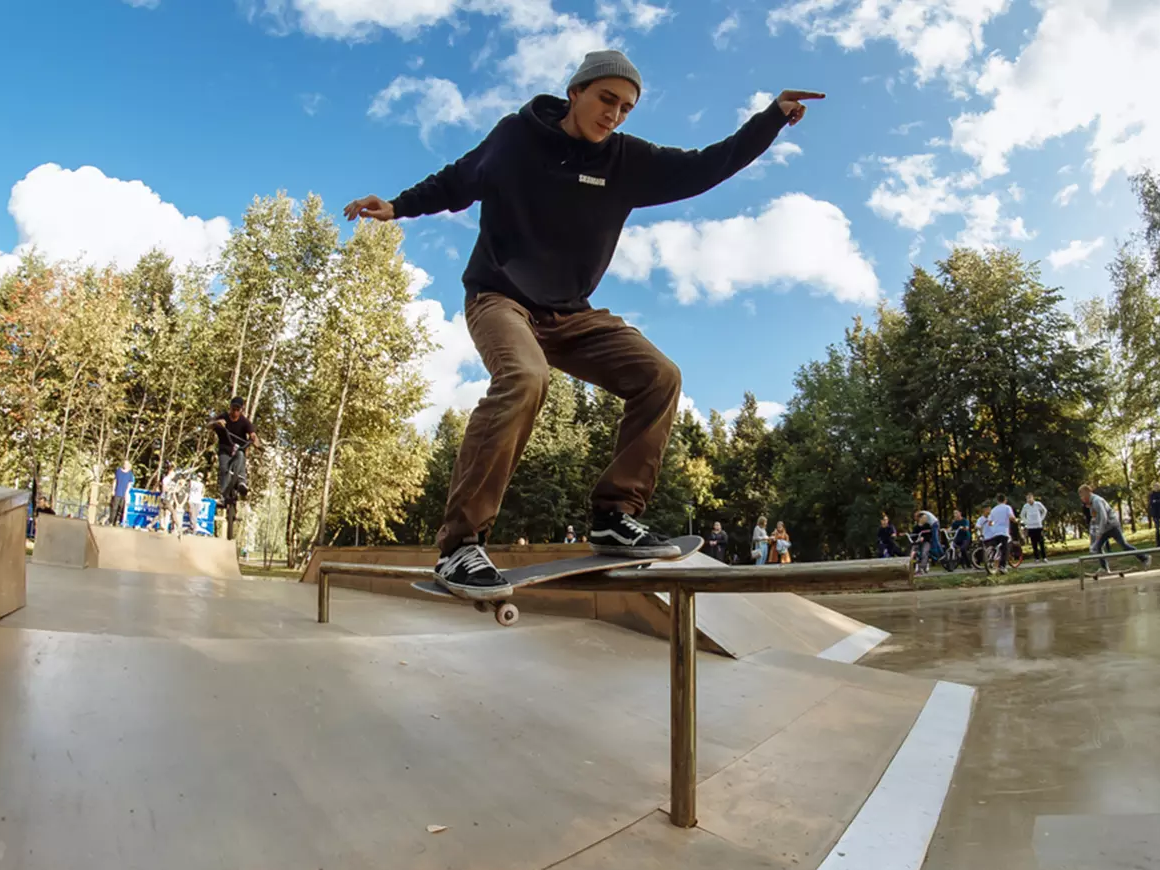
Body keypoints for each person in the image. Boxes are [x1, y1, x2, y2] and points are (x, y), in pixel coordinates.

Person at [343, 49, 822, 599]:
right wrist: (398, 206)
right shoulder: (515, 138)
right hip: (500, 298)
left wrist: (771, 119)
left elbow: (704, 166)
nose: (614, 115)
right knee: (525, 379)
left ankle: (615, 514)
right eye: (606, 100)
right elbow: (459, 180)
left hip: (571, 313)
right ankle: (460, 546)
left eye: (625, 108)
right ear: (576, 92)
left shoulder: (628, 161)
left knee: (659, 376)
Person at [1080, 484, 1149, 572]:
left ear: (1087, 493)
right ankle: (1104, 568)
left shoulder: (1097, 501)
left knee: (1124, 545)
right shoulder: (1091, 503)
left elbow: (1104, 517)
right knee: (1098, 547)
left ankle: (1145, 558)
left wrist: (1100, 532)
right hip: (1104, 528)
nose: (1081, 499)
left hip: (1112, 526)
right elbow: (1095, 518)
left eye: (1082, 496)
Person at [209, 397, 259, 512]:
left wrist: (255, 440)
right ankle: (223, 496)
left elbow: (253, 435)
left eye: (238, 409)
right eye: (233, 409)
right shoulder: (224, 417)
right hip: (225, 449)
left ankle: (242, 483)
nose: (235, 412)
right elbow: (209, 425)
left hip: (238, 449)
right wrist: (217, 423)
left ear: (241, 410)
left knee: (241, 455)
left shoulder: (244, 421)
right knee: (223, 468)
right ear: (230, 407)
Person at [983, 494, 1015, 573]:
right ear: (1005, 500)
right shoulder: (1007, 507)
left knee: (996, 547)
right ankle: (1002, 567)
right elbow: (1011, 517)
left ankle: (991, 556)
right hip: (1004, 531)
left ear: (997, 501)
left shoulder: (993, 510)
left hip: (994, 532)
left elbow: (990, 523)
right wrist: (1015, 520)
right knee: (1005, 549)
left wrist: (995, 524)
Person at [1019, 492, 1048, 561]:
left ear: (1033, 498)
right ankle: (1036, 558)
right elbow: (1022, 515)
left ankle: (1044, 557)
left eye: (1030, 498)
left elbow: (1044, 511)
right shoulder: (1025, 506)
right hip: (1031, 526)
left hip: (1038, 525)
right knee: (1034, 542)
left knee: (1041, 542)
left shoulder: (1038, 504)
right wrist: (1026, 522)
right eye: (1027, 499)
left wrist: (1041, 519)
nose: (1029, 500)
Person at [109, 460, 135, 528]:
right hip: (117, 492)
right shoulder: (118, 471)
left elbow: (130, 483)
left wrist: (127, 491)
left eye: (127, 464)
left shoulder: (130, 474)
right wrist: (113, 490)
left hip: (124, 493)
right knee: (114, 507)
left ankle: (118, 521)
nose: (125, 465)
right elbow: (115, 481)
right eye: (124, 464)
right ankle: (111, 521)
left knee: (121, 508)